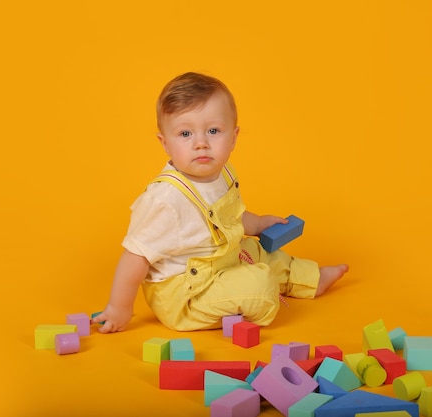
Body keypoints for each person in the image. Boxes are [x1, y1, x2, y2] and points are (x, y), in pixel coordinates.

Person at [93, 72, 348, 333]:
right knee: (259, 284)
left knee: (261, 251)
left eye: (213, 131)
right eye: (185, 133)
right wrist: (119, 307)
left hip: (223, 260)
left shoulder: (223, 173)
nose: (201, 143)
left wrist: (258, 223)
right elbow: (135, 258)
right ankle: (253, 294)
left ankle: (310, 280)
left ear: (234, 137)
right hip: (187, 294)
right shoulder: (164, 200)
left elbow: (229, 217)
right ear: (165, 143)